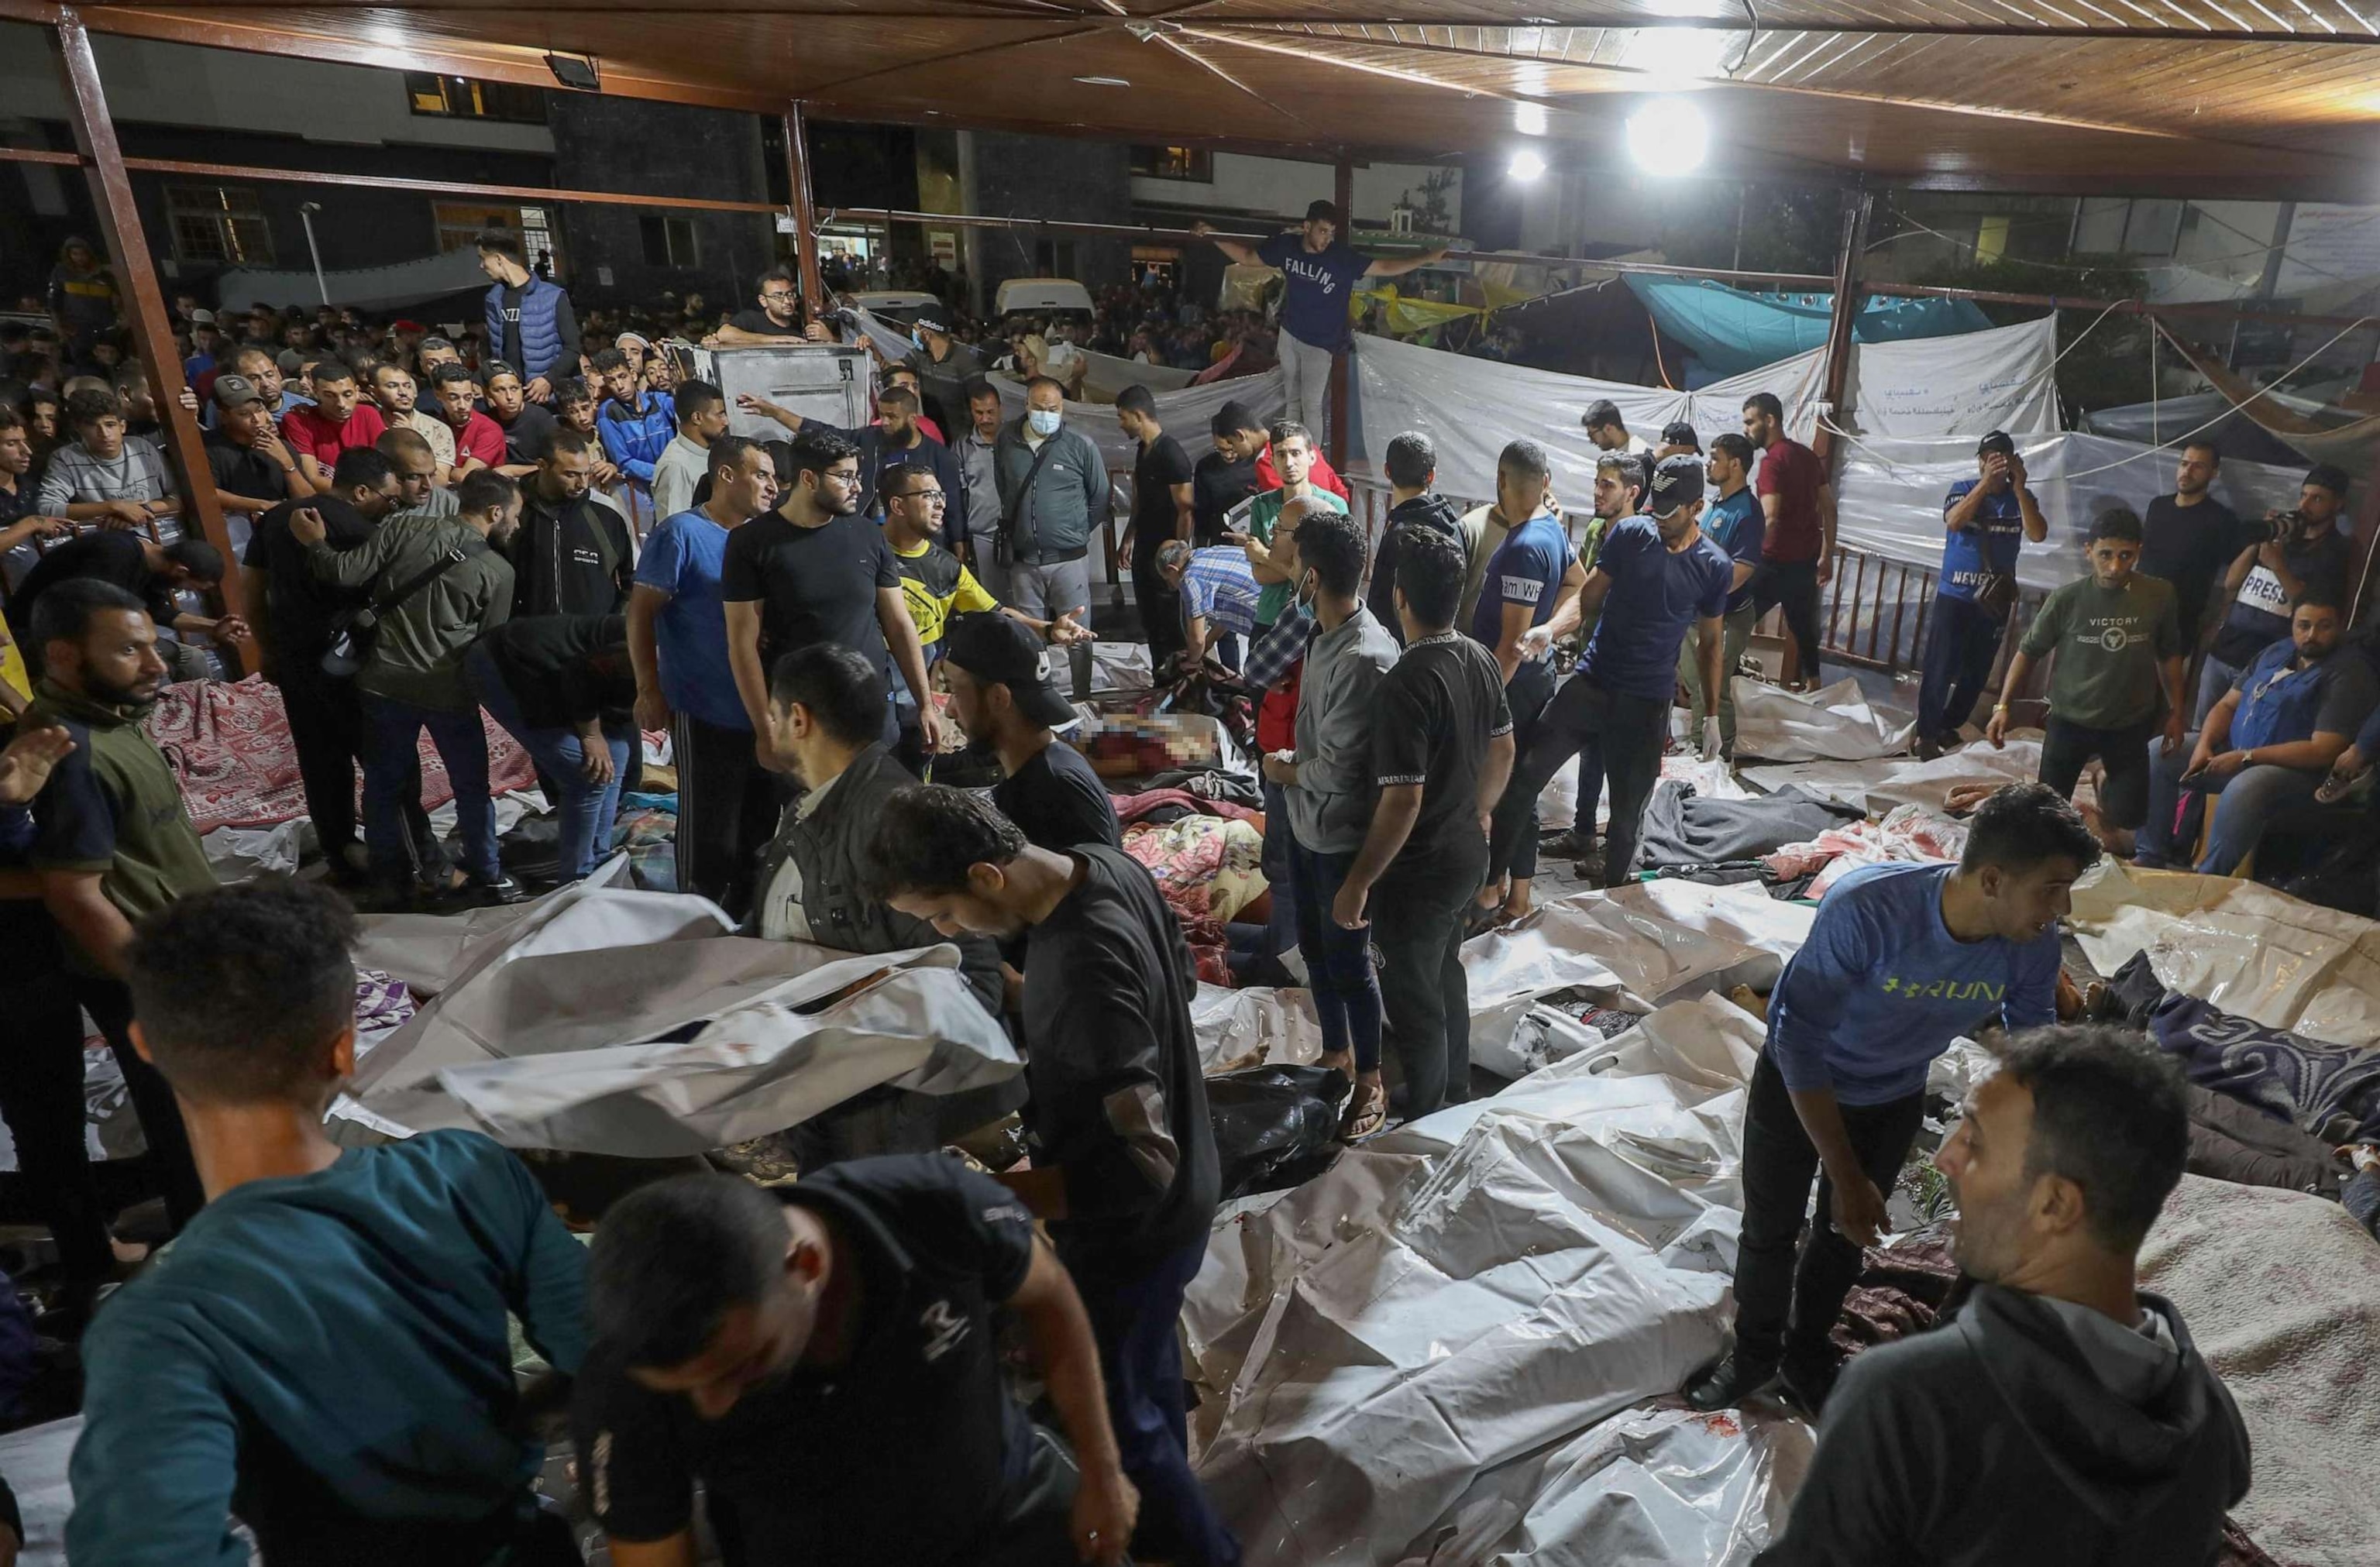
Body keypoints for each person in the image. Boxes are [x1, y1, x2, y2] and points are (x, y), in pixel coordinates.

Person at [69, 877, 590, 1566]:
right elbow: (614, 1346)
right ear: (343, 1049)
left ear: (145, 1043)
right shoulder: (467, 1176)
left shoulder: (160, 1325)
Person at [869, 785, 1236, 1567]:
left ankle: (1204, 1550)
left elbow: (1139, 1165)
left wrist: (995, 1194)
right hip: (1192, 1185)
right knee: (1147, 1377)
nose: (946, 931)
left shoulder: (1080, 970)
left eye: (942, 913)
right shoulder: (1102, 864)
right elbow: (1182, 973)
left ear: (986, 876)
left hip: (1138, 1229)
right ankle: (1171, 1525)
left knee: (1120, 1419)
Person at [1753, 1026, 2249, 1567]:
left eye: (1977, 1142)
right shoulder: (2214, 1427)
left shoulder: (1907, 1400)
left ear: (2056, 1205)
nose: (1946, 1157)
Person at [1685, 783, 2096, 1414]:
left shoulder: (2032, 943)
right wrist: (1845, 1174)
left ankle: (1806, 1353)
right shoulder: (1869, 908)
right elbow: (1798, 1043)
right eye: (2051, 886)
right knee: (1771, 1229)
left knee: (1845, 1235)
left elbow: (2030, 1037)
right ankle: (1754, 1353)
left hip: (1893, 1091)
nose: (2060, 907)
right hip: (1801, 1085)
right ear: (1991, 880)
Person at [572, 1157, 1139, 1567]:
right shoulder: (622, 1389)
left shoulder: (931, 1208)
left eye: (742, 1366)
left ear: (808, 1264)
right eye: (685, 1390)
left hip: (1011, 1515)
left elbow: (1049, 1295)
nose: (713, 1404)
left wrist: (1103, 1471)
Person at [746, 648, 1012, 1171]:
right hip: (836, 1105)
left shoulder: (891, 821)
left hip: (881, 1126)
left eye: (773, 714)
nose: (768, 725)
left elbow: (971, 980)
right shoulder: (813, 808)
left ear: (798, 720)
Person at [22, 581, 215, 1235]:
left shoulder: (114, 721)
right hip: (144, 973)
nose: (157, 665)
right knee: (191, 1122)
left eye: (152, 646)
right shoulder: (69, 750)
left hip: (178, 955)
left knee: (196, 1117)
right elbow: (75, 892)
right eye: (129, 651)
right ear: (64, 657)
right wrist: (159, 988)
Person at [1489, 455, 1731, 908]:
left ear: (1697, 506)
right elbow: (1589, 595)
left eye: (1671, 511)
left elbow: (1711, 645)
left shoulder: (1713, 566)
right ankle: (1491, 885)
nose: (1658, 518)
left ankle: (1614, 904)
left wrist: (1711, 714)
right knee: (1523, 776)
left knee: (1625, 817)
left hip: (1646, 703)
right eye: (1655, 506)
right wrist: (1551, 629)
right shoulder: (1631, 534)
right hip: (1594, 682)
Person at [1333, 526, 1513, 1119]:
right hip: (1465, 853)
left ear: (1399, 597)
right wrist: (1478, 809)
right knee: (1445, 973)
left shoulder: (1407, 682)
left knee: (1414, 1001)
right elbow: (1504, 748)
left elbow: (1403, 801)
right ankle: (1454, 1088)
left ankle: (1431, 1116)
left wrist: (1359, 880)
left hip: (1418, 870)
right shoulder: (1479, 657)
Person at [294, 469, 526, 905]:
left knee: (383, 785)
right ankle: (487, 874)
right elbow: (486, 646)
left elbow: (343, 573)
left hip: (382, 684)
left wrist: (315, 542)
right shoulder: (497, 571)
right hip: (449, 694)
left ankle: (390, 877)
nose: (516, 523)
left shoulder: (403, 527)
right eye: (515, 515)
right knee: (472, 788)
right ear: (496, 512)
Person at [240, 448, 439, 885]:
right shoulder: (361, 530)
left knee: (321, 763)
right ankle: (415, 859)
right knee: (388, 763)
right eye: (388, 498)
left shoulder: (278, 517)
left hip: (295, 662)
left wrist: (266, 647)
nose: (393, 505)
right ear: (362, 491)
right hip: (354, 668)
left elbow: (251, 587)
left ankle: (341, 856)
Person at [1261, 512, 1399, 1137]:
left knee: (1349, 959)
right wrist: (1293, 770)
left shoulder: (1366, 656)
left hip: (1340, 833)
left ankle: (1371, 1079)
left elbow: (1342, 773)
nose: (1286, 569)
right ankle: (1338, 1052)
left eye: (1291, 561)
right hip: (1306, 821)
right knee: (1315, 949)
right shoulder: (1322, 633)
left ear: (1311, 576)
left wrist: (1285, 772)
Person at [0, 719, 136, 1308]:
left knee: (50, 1111)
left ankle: (88, 1252)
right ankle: (85, 1265)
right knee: (44, 1111)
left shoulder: (20, 741)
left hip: (33, 956)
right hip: (16, 970)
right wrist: (73, 880)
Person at [722, 427, 946, 765]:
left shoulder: (869, 536)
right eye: (845, 477)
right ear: (809, 479)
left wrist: (925, 705)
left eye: (857, 476)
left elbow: (899, 626)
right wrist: (766, 728)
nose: (858, 487)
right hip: (803, 718)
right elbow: (742, 645)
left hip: (870, 712)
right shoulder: (751, 543)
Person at [631, 435, 780, 916]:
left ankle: (744, 922)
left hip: (764, 713)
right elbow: (640, 615)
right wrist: (648, 688)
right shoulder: (682, 534)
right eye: (762, 474)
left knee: (760, 829)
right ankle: (696, 922)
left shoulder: (766, 539)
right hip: (706, 708)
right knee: (709, 834)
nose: (772, 486)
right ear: (727, 475)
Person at [2134, 590, 2375, 876]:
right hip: (2238, 753)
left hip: (2295, 774)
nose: (2312, 634)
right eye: (2304, 625)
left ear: (2339, 626)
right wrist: (2205, 745)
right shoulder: (2276, 652)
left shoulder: (2348, 673)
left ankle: (2210, 876)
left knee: (2247, 785)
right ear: (2292, 623)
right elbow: (2226, 704)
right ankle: (2150, 856)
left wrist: (2248, 757)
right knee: (2158, 752)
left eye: (2324, 626)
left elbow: (2323, 749)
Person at [1987, 508, 2185, 843]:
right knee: (2047, 813)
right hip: (2070, 719)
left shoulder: (2159, 596)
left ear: (2138, 551)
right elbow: (2028, 651)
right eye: (2106, 555)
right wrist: (2002, 706)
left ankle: (2104, 779)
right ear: (2089, 550)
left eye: (2126, 556)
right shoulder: (2068, 599)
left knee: (2129, 815)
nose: (2115, 567)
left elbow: (2168, 655)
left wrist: (2176, 712)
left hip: (2129, 722)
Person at [1192, 201, 1445, 435]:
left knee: (1310, 404)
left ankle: (1312, 466)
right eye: (1323, 231)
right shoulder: (1286, 246)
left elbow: (1385, 268)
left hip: (1321, 342)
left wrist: (1426, 258)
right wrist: (1214, 235)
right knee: (1292, 400)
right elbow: (1247, 258)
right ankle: (1292, 453)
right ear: (1307, 227)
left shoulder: (1340, 258)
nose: (1328, 238)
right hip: (1291, 333)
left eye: (1331, 233)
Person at [1467, 440, 1584, 925]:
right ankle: (1519, 895)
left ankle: (1490, 893)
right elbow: (1579, 586)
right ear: (1547, 483)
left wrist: (1481, 701)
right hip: (1536, 676)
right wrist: (1551, 628)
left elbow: (1510, 644)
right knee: (1523, 791)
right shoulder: (1551, 529)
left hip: (1512, 685)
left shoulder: (1523, 548)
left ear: (1500, 481)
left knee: (1499, 793)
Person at [469, 613, 635, 885]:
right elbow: (581, 671)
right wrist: (591, 735)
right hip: (513, 662)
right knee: (586, 773)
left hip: (576, 681)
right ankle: (577, 882)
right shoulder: (655, 646)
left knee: (618, 756)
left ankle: (599, 862)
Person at [1917, 431, 2048, 756]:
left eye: (2001, 458)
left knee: (1977, 671)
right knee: (1940, 667)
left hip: (1994, 599)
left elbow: (2038, 533)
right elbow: (1955, 521)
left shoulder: (2022, 498)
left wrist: (2017, 487)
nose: (1994, 464)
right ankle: (1927, 734)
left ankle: (1949, 724)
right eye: (1988, 458)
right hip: (1956, 595)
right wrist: (1983, 485)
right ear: (1979, 461)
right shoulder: (1961, 490)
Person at [944, 611, 1120, 854]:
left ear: (999, 697)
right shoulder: (1037, 766)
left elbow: (1098, 886)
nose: (948, 711)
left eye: (954, 691)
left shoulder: (1050, 791)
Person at [2196, 462, 2352, 723]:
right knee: (2200, 729)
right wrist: (2259, 541)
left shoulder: (2336, 552)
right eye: (2303, 495)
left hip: (2264, 662)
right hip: (2226, 649)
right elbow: (2232, 582)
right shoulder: (2284, 536)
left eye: (2317, 499)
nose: (2305, 505)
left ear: (2337, 504)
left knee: (2239, 735)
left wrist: (2278, 565)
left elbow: (2311, 607)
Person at [738, 383, 964, 548]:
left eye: (892, 417)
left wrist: (959, 549)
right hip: (870, 540)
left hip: (920, 543)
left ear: (913, 419)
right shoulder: (868, 439)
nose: (884, 422)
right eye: (882, 415)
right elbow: (820, 432)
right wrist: (774, 412)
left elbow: (953, 507)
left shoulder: (940, 457)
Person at [992, 376, 1110, 679]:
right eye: (1040, 407)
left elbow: (1099, 496)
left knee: (1078, 633)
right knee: (1028, 635)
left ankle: (1082, 693)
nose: (1047, 414)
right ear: (1027, 405)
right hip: (1024, 561)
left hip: (1069, 560)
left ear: (1063, 408)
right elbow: (1004, 488)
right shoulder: (1007, 440)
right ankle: (1036, 697)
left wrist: (1077, 531)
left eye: (1053, 408)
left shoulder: (1080, 446)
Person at [5, 530, 234, 682]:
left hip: (94, 636)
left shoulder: (152, 566)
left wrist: (212, 626)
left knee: (191, 658)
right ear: (181, 571)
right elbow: (89, 612)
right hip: (42, 634)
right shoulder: (114, 554)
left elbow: (159, 611)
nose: (181, 591)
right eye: (191, 586)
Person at [1741, 391, 1833, 689]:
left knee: (1734, 621)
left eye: (1750, 422)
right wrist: (1826, 554)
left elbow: (1770, 516)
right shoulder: (1806, 456)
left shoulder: (1773, 463)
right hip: (1804, 562)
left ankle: (1718, 685)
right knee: (1803, 627)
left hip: (1772, 561)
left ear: (1770, 420)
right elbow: (1830, 508)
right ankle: (1814, 687)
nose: (1746, 429)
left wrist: (1746, 558)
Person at [1680, 431, 1764, 755]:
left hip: (1726, 617)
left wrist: (1708, 593)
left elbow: (1743, 569)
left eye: (1715, 458)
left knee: (1713, 686)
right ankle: (1701, 747)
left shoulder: (1748, 512)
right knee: (1694, 685)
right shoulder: (1716, 504)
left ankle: (1721, 754)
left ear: (1736, 464)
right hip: (1697, 613)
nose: (1708, 463)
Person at [507, 429, 635, 618]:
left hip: (593, 640)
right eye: (571, 475)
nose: (582, 484)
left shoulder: (607, 512)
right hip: (531, 638)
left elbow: (634, 580)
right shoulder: (514, 509)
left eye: (586, 474)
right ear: (542, 466)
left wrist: (613, 629)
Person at [1116, 383, 1195, 665]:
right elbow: (1140, 498)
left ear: (1139, 415)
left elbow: (1185, 510)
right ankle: (1161, 677)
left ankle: (1181, 683)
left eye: (1123, 417)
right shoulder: (1143, 450)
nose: (1121, 423)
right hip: (1145, 548)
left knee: (1171, 624)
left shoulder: (1171, 454)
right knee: (1150, 620)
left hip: (1166, 555)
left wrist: (1179, 556)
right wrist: (1128, 537)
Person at [2137, 438, 2241, 651]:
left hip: (2178, 621)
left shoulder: (2221, 519)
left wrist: (2221, 618)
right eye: (2185, 464)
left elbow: (2235, 575)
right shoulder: (2158, 506)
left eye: (2198, 466)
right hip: (2137, 610)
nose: (2188, 471)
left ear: (2213, 473)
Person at [1367, 430, 1464, 646]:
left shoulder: (1400, 536)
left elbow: (1382, 606)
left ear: (1387, 471)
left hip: (1399, 652)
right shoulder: (1454, 527)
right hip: (1444, 648)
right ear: (1431, 475)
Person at [33, 387, 179, 527]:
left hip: (164, 533)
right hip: (111, 539)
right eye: (92, 426)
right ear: (78, 429)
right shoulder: (65, 458)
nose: (104, 434)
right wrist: (113, 507)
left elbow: (179, 496)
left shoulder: (142, 448)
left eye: (110, 425)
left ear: (122, 426)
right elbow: (47, 508)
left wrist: (142, 510)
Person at [200, 372, 312, 529]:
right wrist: (261, 505)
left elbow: (308, 500)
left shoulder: (280, 446)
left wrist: (287, 464)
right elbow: (207, 493)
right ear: (224, 416)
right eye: (244, 414)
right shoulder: (208, 447)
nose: (256, 419)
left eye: (259, 410)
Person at [479, 226, 578, 401]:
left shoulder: (553, 296)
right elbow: (491, 351)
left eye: (482, 259)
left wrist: (549, 379)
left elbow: (573, 348)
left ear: (498, 259)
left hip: (549, 399)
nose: (481, 266)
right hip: (510, 400)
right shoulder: (493, 300)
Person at [591, 347, 675, 533]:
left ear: (634, 375)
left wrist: (668, 364)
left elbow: (687, 404)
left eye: (623, 377)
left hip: (673, 485)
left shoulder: (659, 401)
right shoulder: (608, 413)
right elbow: (625, 462)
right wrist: (664, 472)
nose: (620, 386)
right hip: (640, 493)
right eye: (612, 381)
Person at [1155, 539, 1260, 671]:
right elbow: (1226, 615)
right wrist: (1207, 644)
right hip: (1277, 603)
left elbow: (1197, 640)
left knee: (1260, 678)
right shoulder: (1214, 551)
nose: (1171, 587)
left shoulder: (1190, 578)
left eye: (1168, 580)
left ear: (1172, 569)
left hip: (1265, 619)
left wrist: (1191, 663)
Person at [281, 362, 387, 488]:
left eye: (347, 394)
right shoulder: (298, 420)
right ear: (315, 392)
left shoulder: (368, 414)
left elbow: (384, 469)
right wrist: (356, 492)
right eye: (330, 395)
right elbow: (312, 478)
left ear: (357, 391)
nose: (341, 404)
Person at [650, 378, 727, 524]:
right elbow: (675, 527)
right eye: (720, 415)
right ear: (697, 418)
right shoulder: (676, 466)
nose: (726, 421)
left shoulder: (712, 452)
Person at [956, 377, 1006, 593]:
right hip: (984, 535)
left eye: (990, 412)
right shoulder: (963, 446)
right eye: (979, 413)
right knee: (994, 600)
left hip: (1021, 535)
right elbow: (960, 495)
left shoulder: (1016, 440)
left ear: (1000, 409)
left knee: (1026, 601)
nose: (985, 418)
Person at [368, 363, 456, 480]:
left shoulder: (438, 429)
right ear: (374, 392)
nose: (403, 392)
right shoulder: (367, 424)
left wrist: (410, 439)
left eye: (407, 386)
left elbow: (440, 480)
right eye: (392, 386)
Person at [1193, 402, 1264, 547]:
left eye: (1232, 448)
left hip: (1255, 542)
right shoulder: (1206, 467)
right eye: (1221, 449)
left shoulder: (1259, 464)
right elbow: (1202, 514)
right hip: (1220, 543)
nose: (1229, 455)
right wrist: (1199, 550)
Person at [703, 265, 828, 347]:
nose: (787, 301)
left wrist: (830, 339)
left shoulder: (802, 324)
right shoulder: (751, 320)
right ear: (763, 301)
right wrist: (772, 340)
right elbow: (725, 334)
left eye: (789, 295)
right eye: (778, 296)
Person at [429, 363, 508, 481]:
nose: (463, 406)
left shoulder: (489, 429)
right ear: (438, 395)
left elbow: (465, 477)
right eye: (454, 398)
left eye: (468, 397)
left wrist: (441, 471)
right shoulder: (434, 425)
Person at [482, 360, 557, 474]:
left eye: (514, 388)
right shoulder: (486, 421)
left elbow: (559, 463)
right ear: (488, 394)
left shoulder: (541, 419)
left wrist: (514, 471)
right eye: (500, 390)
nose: (510, 397)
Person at [1580, 398, 1654, 462]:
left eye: (1592, 435)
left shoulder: (1638, 456)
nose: (1592, 441)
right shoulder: (1618, 453)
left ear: (1608, 429)